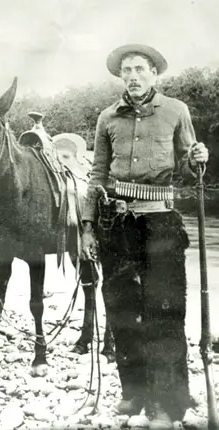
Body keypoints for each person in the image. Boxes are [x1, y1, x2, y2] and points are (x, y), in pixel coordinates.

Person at [81, 44, 209, 429]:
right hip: (116, 226)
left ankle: (169, 401)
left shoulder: (176, 111)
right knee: (121, 309)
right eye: (126, 71)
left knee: (165, 313)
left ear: (155, 74)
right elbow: (98, 176)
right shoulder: (107, 118)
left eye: (140, 69)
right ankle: (134, 391)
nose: (132, 77)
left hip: (161, 226)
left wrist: (197, 160)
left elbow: (189, 172)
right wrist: (87, 225)